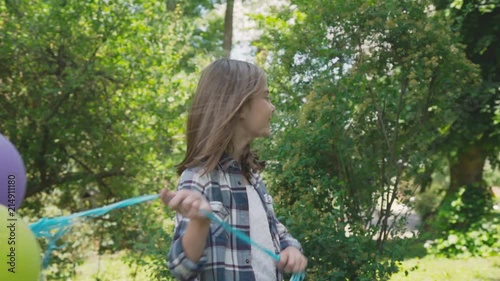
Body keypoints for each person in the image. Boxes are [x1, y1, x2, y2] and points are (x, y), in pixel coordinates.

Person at [160, 59, 307, 281]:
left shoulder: (253, 178)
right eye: (266, 97)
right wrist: (200, 222)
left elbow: (275, 229)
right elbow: (181, 268)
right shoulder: (199, 177)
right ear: (239, 107)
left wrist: (291, 249)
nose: (272, 106)